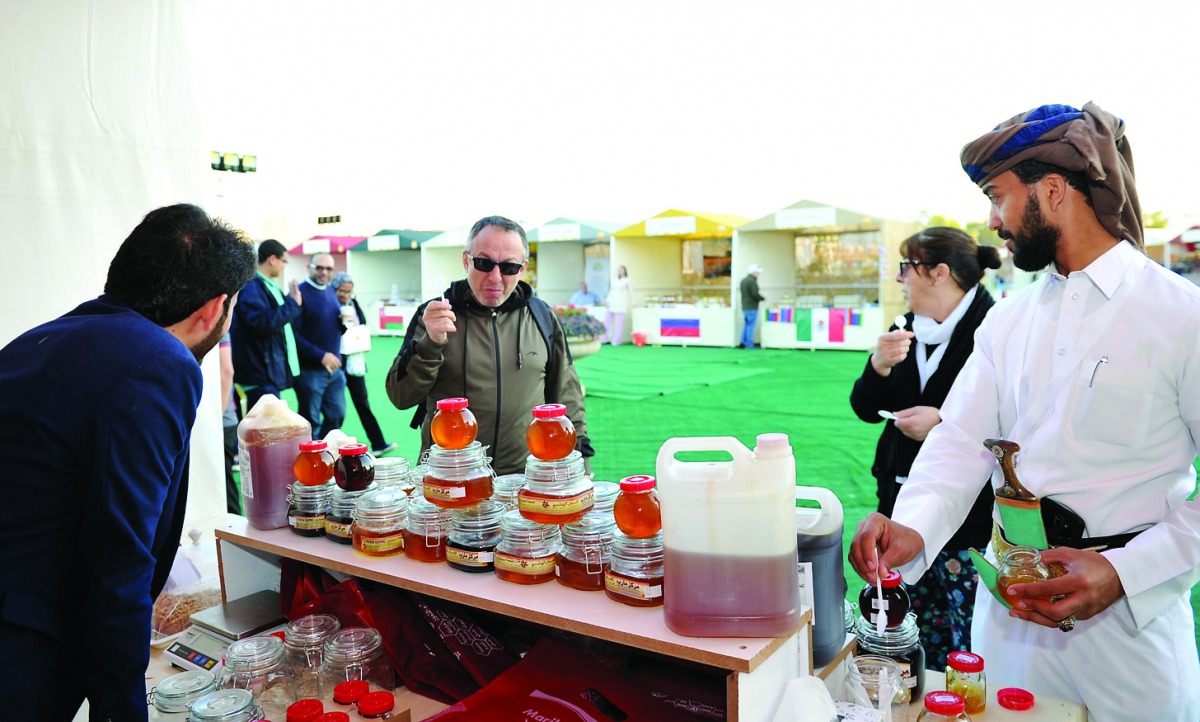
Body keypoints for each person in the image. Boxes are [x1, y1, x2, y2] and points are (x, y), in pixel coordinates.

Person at [849, 103, 1200, 720]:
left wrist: (1124, 572)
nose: (992, 222)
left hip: (1129, 637)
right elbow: (960, 443)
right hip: (1007, 625)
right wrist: (914, 526)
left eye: (998, 197)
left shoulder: (1180, 317)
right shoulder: (1007, 322)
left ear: (1055, 191)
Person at [0, 204, 255, 722]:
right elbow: (120, 555)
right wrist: (120, 709)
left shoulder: (37, 340)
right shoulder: (159, 362)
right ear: (214, 310)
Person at [849, 227, 1001, 668]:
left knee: (971, 636)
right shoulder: (903, 328)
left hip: (969, 518)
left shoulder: (993, 328)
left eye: (906, 267)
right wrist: (877, 366)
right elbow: (864, 406)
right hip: (899, 501)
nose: (900, 279)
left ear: (938, 273)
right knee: (911, 628)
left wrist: (945, 423)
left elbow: (1017, 417)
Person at [386, 215, 592, 476]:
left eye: (508, 267)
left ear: (523, 267)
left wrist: (582, 462)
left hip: (524, 479)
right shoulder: (435, 315)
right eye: (484, 263)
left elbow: (566, 396)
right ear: (466, 261)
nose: (495, 277)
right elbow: (400, 396)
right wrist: (431, 344)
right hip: (450, 477)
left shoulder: (541, 316)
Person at [230, 238, 302, 412]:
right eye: (284, 261)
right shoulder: (252, 286)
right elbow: (262, 323)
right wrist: (293, 304)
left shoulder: (266, 285)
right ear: (272, 259)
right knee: (264, 434)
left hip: (265, 372)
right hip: (258, 374)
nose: (284, 265)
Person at [332, 272, 397, 455]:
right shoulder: (329, 303)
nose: (345, 295)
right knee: (335, 408)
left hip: (354, 359)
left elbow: (363, 322)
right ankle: (327, 448)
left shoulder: (353, 303)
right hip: (335, 361)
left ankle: (378, 443)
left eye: (348, 291)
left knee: (362, 402)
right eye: (341, 291)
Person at [294, 253, 347, 439]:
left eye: (329, 268)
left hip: (334, 371)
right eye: (319, 267)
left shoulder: (332, 291)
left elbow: (332, 326)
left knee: (337, 416)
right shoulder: (298, 294)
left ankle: (323, 454)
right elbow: (293, 336)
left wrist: (346, 324)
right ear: (309, 267)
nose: (324, 272)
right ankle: (310, 463)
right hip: (309, 371)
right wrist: (321, 356)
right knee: (310, 422)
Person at [219, 332, 241, 514]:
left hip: (221, 421)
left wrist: (216, 416)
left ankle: (234, 537)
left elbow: (226, 372)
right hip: (223, 419)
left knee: (224, 486)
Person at [603, 264, 632, 345]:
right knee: (607, 321)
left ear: (625, 271)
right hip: (612, 302)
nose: (620, 271)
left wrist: (634, 302)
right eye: (619, 270)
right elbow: (611, 291)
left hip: (621, 303)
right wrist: (607, 301)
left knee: (619, 323)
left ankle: (617, 340)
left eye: (622, 270)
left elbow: (631, 292)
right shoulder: (615, 280)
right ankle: (604, 338)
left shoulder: (627, 280)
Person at [739, 263, 765, 349]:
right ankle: (749, 344)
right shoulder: (752, 282)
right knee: (751, 325)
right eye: (757, 272)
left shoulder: (744, 281)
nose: (758, 274)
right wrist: (761, 298)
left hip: (745, 306)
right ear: (754, 272)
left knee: (747, 324)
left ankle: (743, 341)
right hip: (752, 307)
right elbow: (755, 294)